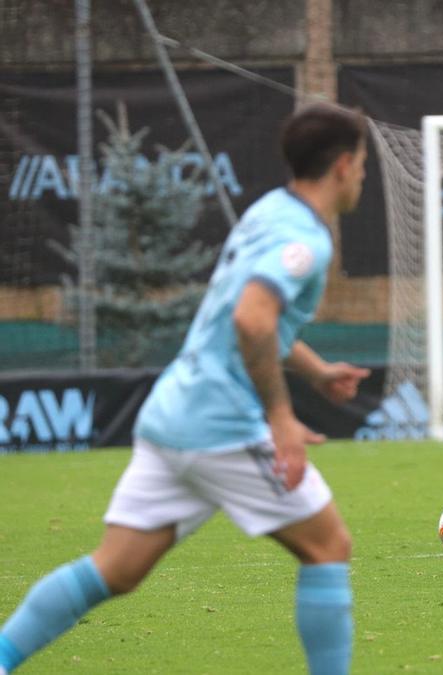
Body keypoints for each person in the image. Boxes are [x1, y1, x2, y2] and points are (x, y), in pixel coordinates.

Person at [0, 103, 371, 675]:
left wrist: (316, 370)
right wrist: (280, 419)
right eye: (364, 163)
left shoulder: (269, 211)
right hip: (219, 423)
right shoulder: (306, 239)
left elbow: (247, 315)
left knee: (117, 568)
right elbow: (252, 319)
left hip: (173, 413)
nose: (365, 176)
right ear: (344, 165)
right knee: (329, 546)